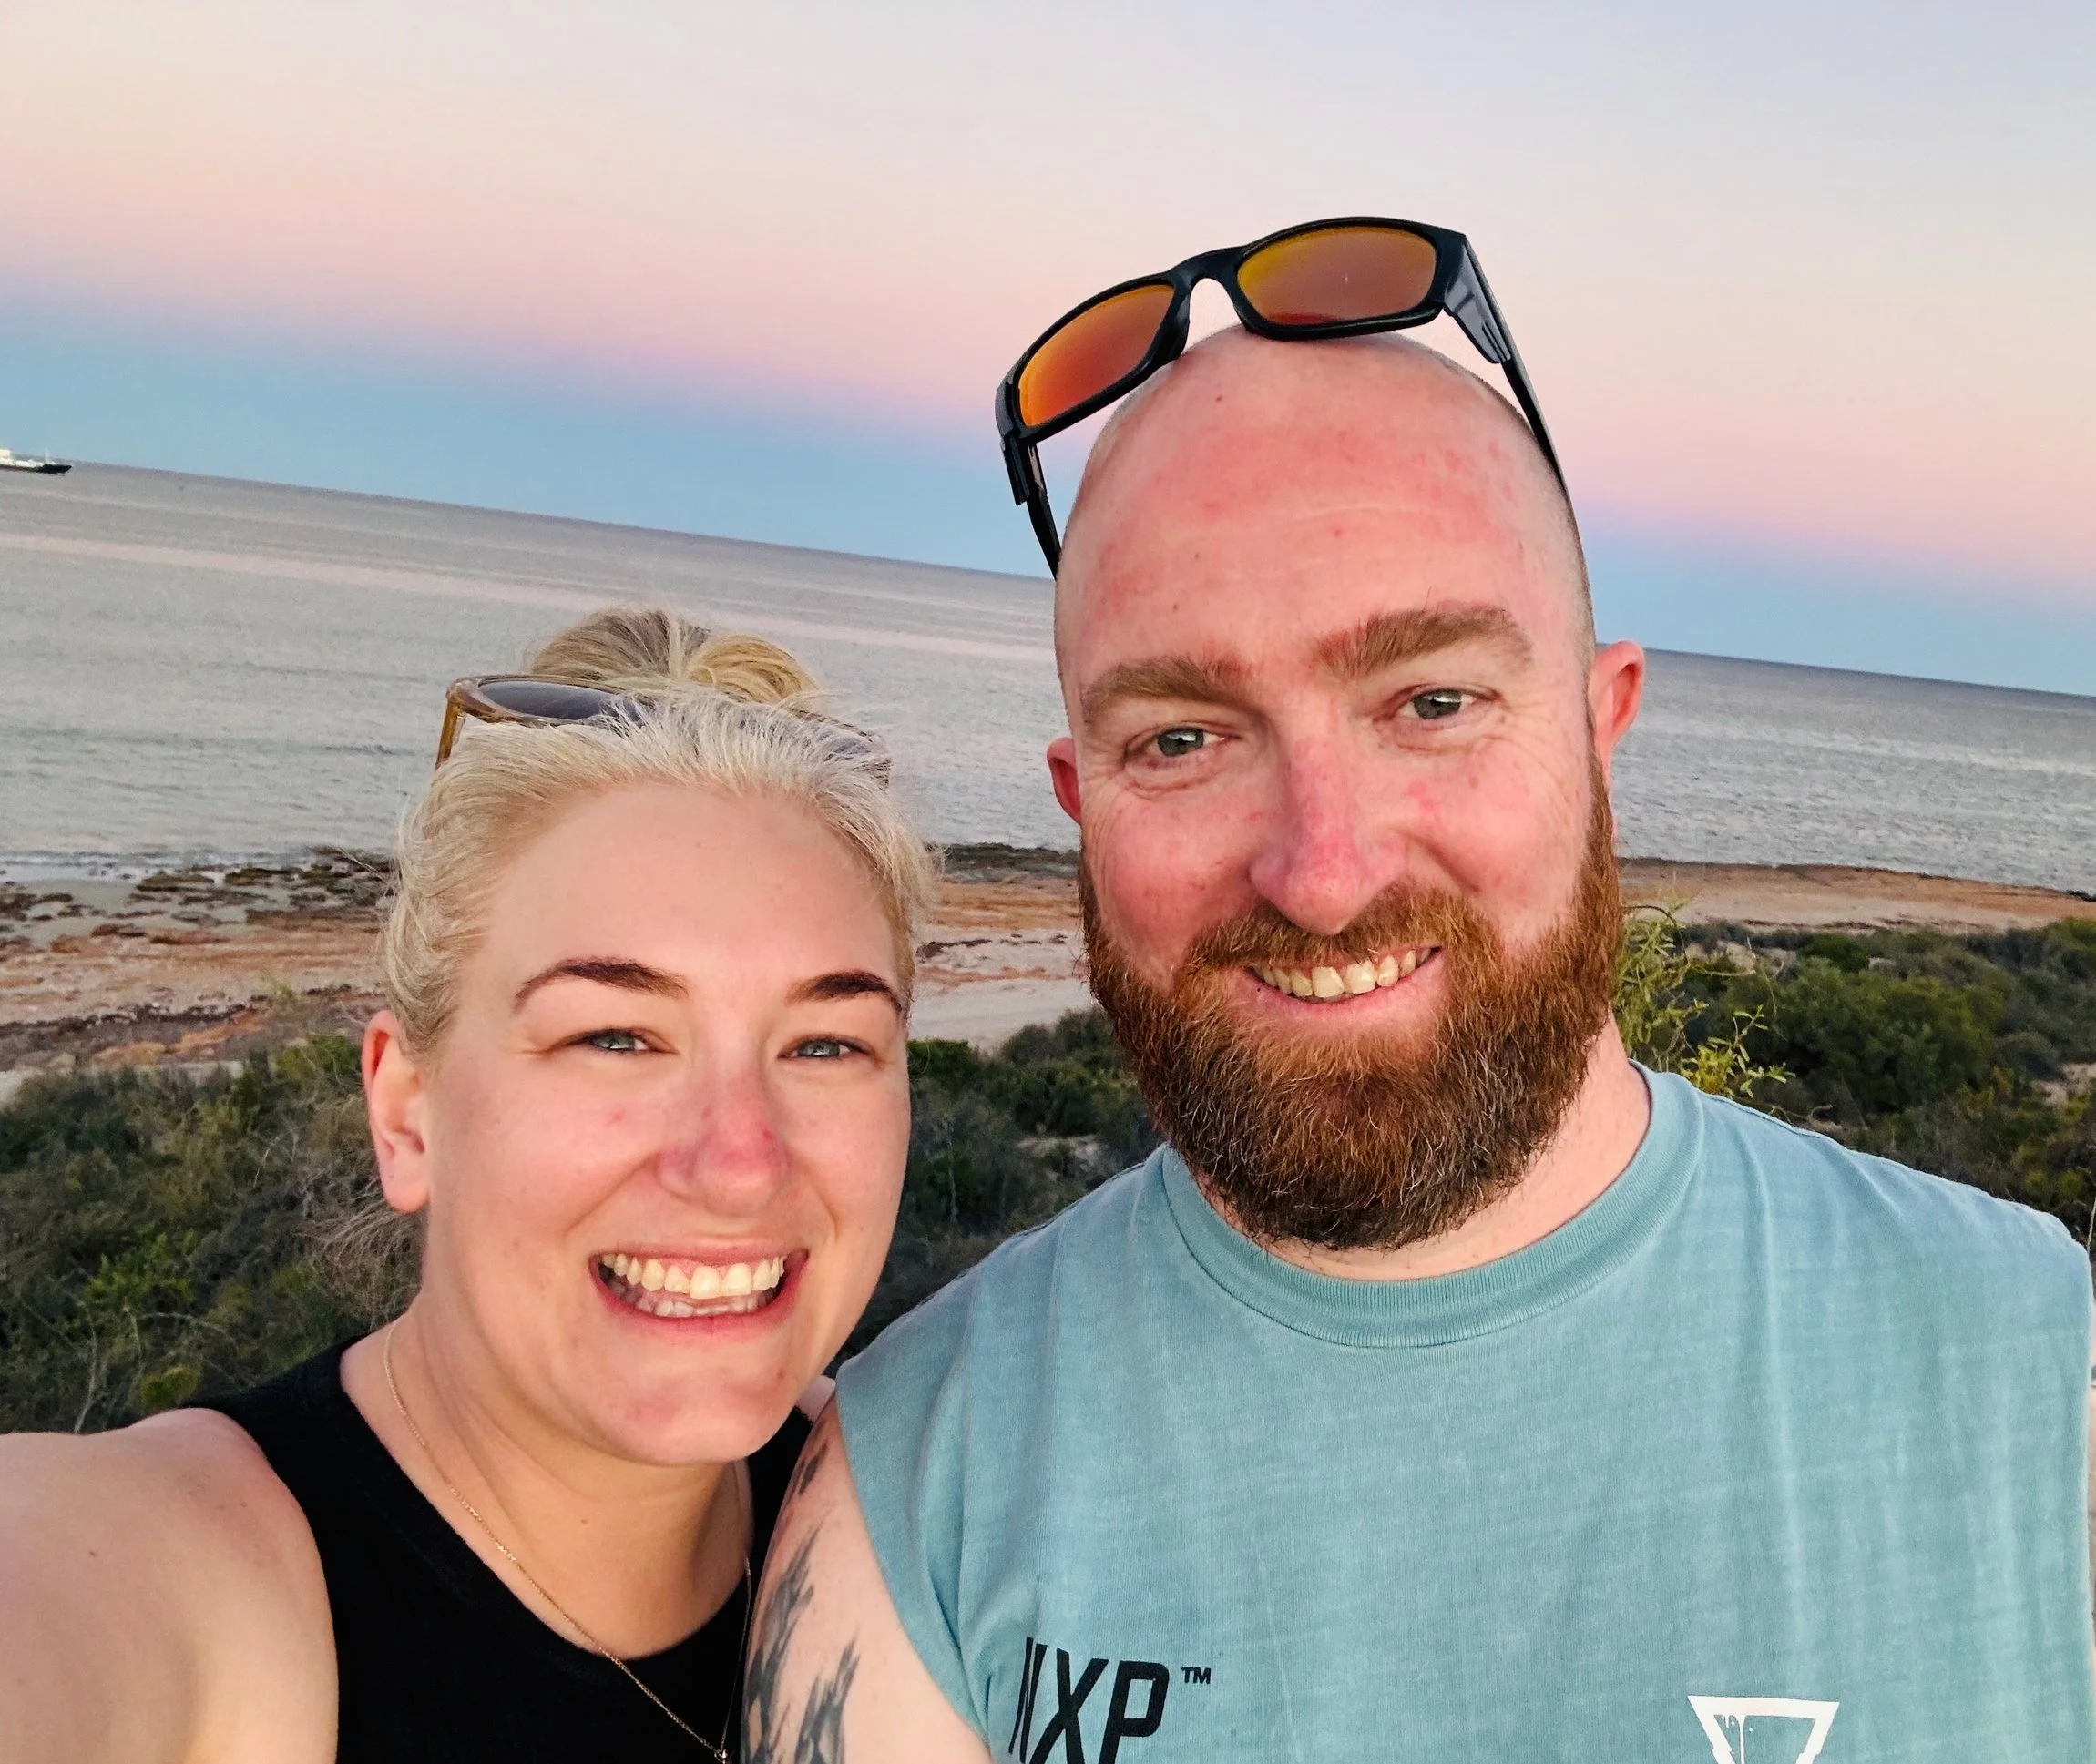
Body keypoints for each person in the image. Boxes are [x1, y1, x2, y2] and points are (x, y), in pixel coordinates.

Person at [751, 236, 2096, 1759]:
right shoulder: (920, 1486)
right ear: (1080, 801)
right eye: (1183, 739)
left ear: (1604, 726)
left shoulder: (2041, 1382)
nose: (1321, 874)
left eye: (1434, 702)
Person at [0, 607, 933, 1763]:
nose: (739, 1162)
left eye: (826, 1044)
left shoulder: (933, 1512)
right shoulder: (176, 1577)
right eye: (617, 1036)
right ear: (407, 1111)